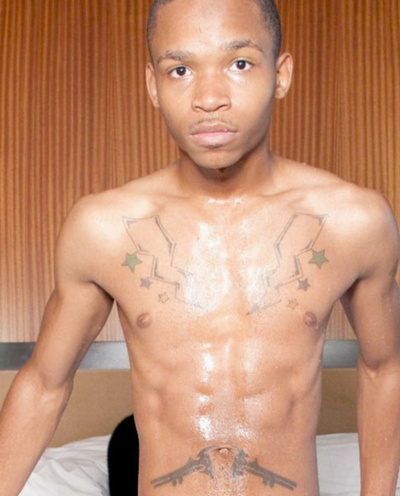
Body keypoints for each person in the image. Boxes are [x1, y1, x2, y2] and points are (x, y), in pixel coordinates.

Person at [1, 0, 400, 494]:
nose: (209, 98)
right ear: (153, 85)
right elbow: (44, 385)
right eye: (181, 70)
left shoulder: (352, 221)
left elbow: (384, 369)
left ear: (280, 75)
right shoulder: (105, 229)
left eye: (239, 64)